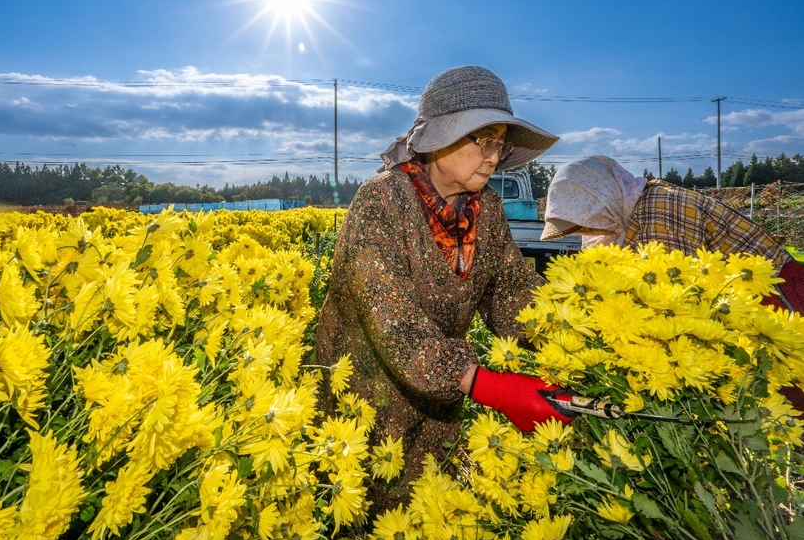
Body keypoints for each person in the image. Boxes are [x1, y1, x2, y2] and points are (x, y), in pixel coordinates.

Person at [315, 66, 573, 515]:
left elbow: (508, 290)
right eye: (483, 139)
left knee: (430, 517)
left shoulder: (486, 208)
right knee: (362, 519)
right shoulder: (381, 200)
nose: (494, 157)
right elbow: (391, 321)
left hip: (439, 407)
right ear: (439, 138)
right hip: (364, 401)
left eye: (501, 142)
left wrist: (572, 336)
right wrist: (487, 384)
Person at [540, 155, 804, 312]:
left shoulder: (660, 209)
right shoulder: (625, 212)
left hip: (776, 298)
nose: (584, 231)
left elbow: (676, 297)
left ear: (602, 199)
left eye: (584, 221)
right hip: (734, 302)